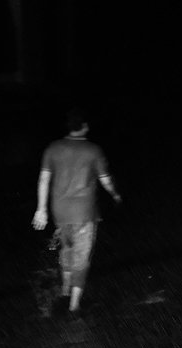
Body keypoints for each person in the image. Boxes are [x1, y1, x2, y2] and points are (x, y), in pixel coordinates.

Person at [31, 108, 121, 314]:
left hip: (60, 213)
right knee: (81, 256)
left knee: (67, 250)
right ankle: (74, 305)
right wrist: (116, 194)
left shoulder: (52, 148)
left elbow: (44, 179)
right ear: (85, 126)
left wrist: (40, 210)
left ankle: (64, 290)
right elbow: (106, 180)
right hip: (84, 213)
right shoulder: (93, 150)